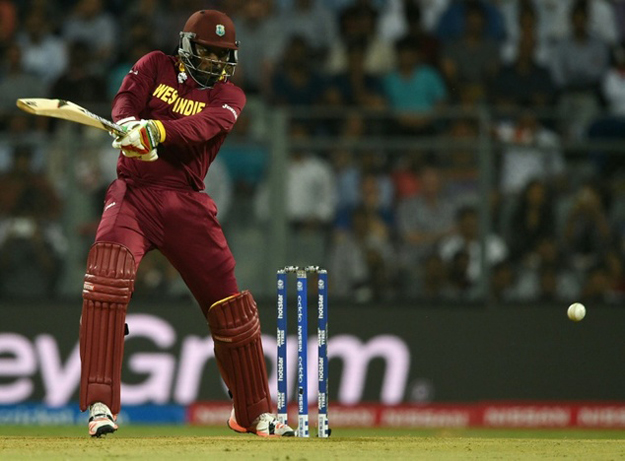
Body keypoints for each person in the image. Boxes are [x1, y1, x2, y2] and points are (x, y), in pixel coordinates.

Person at [79, 10, 295, 438]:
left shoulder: (230, 96)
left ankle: (255, 413)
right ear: (186, 46)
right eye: (208, 53)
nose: (215, 63)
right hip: (133, 193)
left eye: (222, 56)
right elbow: (126, 98)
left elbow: (201, 127)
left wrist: (155, 131)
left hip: (186, 204)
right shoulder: (154, 65)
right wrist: (126, 125)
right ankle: (100, 405)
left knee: (231, 309)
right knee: (106, 280)